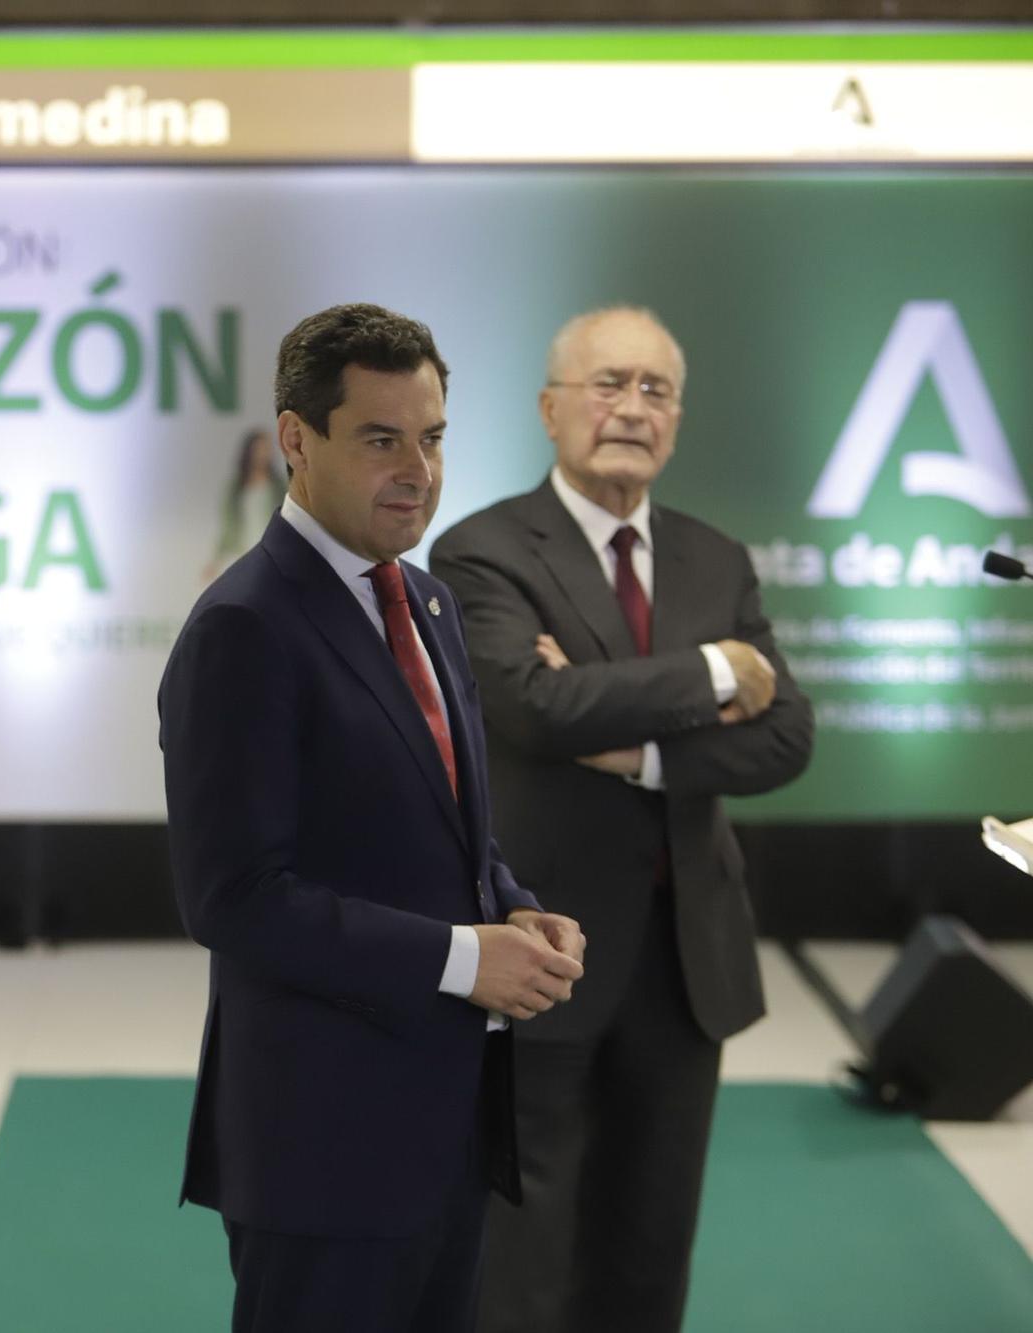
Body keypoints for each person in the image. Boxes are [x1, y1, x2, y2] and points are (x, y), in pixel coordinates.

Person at [159, 302, 587, 1333]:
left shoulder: (427, 604)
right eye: (380, 439)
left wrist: (515, 912)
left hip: (443, 1127)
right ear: (295, 441)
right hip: (320, 1149)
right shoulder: (243, 628)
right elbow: (235, 900)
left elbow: (443, 825)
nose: (416, 469)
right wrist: (457, 957)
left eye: (432, 437)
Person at [429, 306, 814, 1333]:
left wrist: (630, 744)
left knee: (648, 1243)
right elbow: (528, 705)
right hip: (541, 939)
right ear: (549, 408)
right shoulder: (481, 551)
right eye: (606, 384)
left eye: (653, 389)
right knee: (519, 1242)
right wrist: (709, 674)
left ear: (676, 421)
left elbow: (785, 739)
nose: (629, 408)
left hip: (687, 957)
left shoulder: (713, 558)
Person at [204, 427, 288, 580]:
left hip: (271, 553)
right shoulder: (235, 488)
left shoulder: (279, 486)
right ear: (250, 451)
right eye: (260, 449)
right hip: (241, 552)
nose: (263, 454)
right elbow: (228, 526)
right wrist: (216, 560)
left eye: (267, 448)